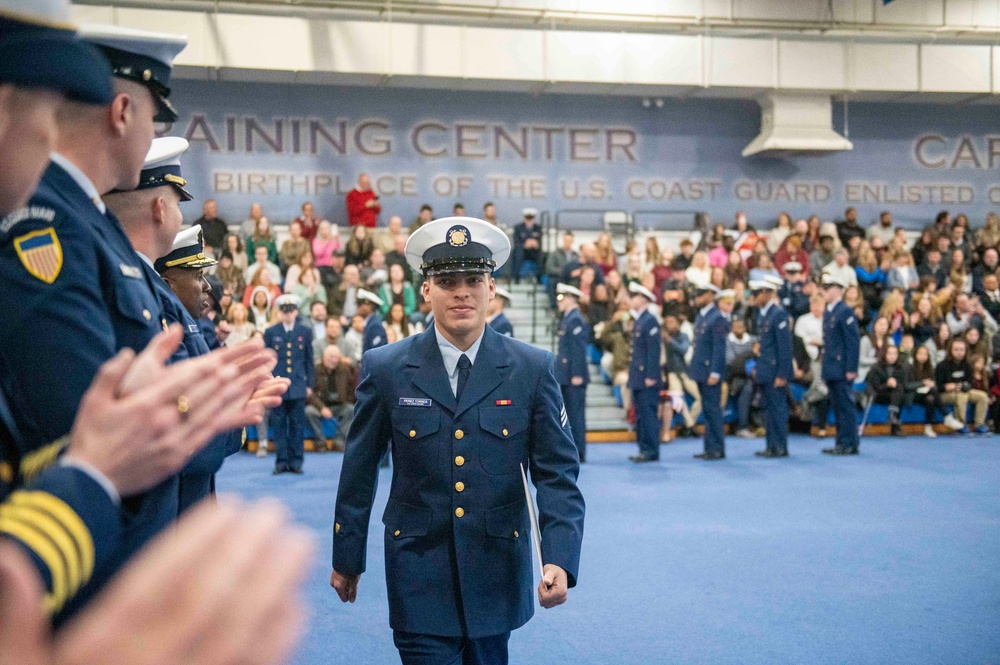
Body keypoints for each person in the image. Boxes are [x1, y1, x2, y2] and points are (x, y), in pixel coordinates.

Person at [330, 216, 585, 665]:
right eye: (447, 281)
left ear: (492, 288)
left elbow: (557, 473)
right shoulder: (387, 368)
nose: (462, 292)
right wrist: (347, 556)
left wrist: (559, 556)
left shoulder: (531, 369)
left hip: (496, 572)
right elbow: (359, 469)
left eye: (473, 279)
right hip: (418, 572)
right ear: (426, 290)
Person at [264, 295, 315, 474]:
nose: (287, 314)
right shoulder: (271, 332)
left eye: (291, 311)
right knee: (278, 425)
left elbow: (309, 358)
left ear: (296, 312)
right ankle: (281, 461)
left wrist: (310, 383)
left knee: (297, 425)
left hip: (298, 384)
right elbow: (267, 361)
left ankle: (296, 461)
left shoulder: (304, 331)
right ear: (280, 312)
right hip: (278, 385)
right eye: (284, 311)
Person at [749, 276, 793, 457]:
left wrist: (783, 373)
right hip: (766, 370)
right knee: (768, 410)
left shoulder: (778, 314)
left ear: (767, 293)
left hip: (775, 371)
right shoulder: (765, 315)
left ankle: (780, 446)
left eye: (757, 293)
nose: (754, 297)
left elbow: (784, 347)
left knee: (778, 410)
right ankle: (771, 445)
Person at [820, 274, 861, 455]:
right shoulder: (829, 311)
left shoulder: (844, 311)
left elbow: (853, 342)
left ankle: (849, 443)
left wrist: (851, 368)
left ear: (838, 289)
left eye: (828, 288)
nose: (824, 291)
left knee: (845, 406)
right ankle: (841, 442)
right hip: (832, 366)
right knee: (838, 407)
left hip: (842, 367)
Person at [689, 284, 728, 460]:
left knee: (713, 410)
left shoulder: (716, 317)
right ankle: (709, 447)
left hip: (710, 371)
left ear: (711, 295)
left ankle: (717, 448)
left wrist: (715, 372)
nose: (697, 297)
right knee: (708, 410)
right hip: (701, 369)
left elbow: (719, 348)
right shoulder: (702, 317)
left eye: (701, 294)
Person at [627, 282, 662, 463]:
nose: (630, 300)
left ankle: (650, 449)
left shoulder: (650, 320)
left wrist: (651, 374)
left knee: (648, 414)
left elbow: (653, 351)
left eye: (633, 297)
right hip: (639, 375)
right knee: (641, 414)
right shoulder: (641, 319)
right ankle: (643, 447)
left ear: (642, 299)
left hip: (646, 376)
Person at [555, 284, 590, 463]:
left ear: (571, 298)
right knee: (570, 413)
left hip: (574, 375)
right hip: (567, 374)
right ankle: (574, 449)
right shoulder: (569, 318)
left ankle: (579, 450)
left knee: (575, 415)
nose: (558, 302)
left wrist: (577, 373)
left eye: (561, 298)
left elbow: (577, 349)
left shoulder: (575, 318)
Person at [306, 345, 357, 453]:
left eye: (336, 357)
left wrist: (346, 400)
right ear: (324, 357)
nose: (333, 360)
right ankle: (320, 442)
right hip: (320, 405)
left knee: (351, 409)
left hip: (339, 404)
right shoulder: (315, 370)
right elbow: (310, 394)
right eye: (331, 357)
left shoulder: (345, 369)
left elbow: (352, 389)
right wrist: (322, 408)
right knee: (309, 411)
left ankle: (339, 442)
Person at [935, 338, 990, 435]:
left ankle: (979, 424)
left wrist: (963, 386)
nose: (959, 352)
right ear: (950, 350)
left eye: (961, 350)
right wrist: (948, 387)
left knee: (982, 396)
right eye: (956, 350)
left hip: (963, 391)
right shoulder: (942, 365)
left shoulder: (967, 365)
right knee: (962, 396)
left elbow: (970, 383)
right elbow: (937, 387)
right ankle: (961, 425)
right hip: (945, 394)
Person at [867, 344, 911, 437]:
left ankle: (892, 417)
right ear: (885, 355)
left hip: (894, 395)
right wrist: (887, 384)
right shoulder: (876, 367)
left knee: (899, 391)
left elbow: (904, 385)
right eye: (890, 354)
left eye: (894, 354)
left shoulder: (901, 368)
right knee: (898, 393)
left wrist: (895, 384)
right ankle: (893, 419)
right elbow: (874, 386)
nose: (892, 356)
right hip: (879, 394)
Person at [510, 208, 542, 284]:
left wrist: (534, 244)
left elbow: (539, 242)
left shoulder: (538, 228)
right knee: (517, 253)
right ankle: (516, 277)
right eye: (528, 218)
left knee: (541, 254)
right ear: (524, 218)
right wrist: (525, 244)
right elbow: (516, 242)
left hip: (533, 251)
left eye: (531, 218)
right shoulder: (518, 228)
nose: (529, 220)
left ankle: (539, 277)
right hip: (522, 250)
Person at [356, 288, 388, 355]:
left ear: (369, 307)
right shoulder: (370, 323)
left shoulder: (375, 326)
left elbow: (377, 353)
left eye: (360, 304)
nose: (357, 307)